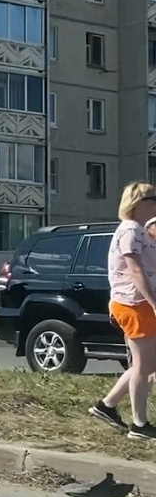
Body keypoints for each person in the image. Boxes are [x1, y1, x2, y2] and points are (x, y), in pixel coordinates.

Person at [88, 182, 156, 440]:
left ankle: (106, 405)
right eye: (153, 198)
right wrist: (153, 302)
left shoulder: (138, 230)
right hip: (134, 303)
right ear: (138, 203)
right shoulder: (129, 229)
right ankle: (140, 425)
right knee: (143, 365)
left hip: (136, 303)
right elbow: (135, 269)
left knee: (147, 363)